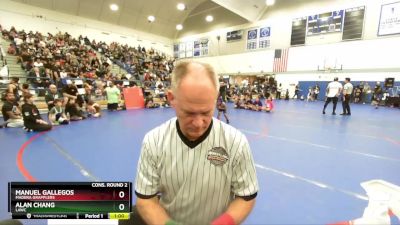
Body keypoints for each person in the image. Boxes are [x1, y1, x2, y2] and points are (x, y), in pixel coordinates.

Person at [131, 61, 258, 225]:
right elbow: (146, 200)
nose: (198, 123)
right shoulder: (154, 141)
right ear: (171, 98)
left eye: (206, 112)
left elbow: (246, 196)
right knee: (103, 214)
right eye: (189, 112)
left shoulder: (236, 142)